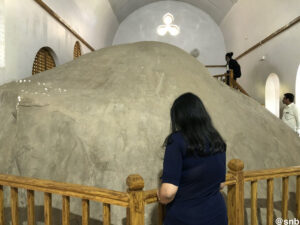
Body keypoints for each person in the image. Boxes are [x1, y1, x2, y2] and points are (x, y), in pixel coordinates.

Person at [157, 92, 227, 225]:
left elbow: (168, 192)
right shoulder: (217, 140)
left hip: (187, 217)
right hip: (217, 215)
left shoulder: (176, 141)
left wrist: (161, 196)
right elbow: (221, 184)